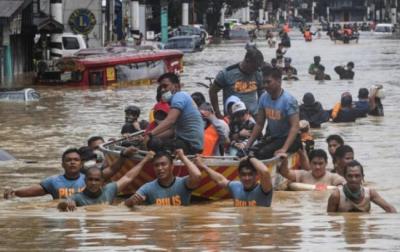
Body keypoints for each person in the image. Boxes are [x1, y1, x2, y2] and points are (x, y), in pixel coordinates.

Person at [57, 149, 154, 211]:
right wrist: (65, 204)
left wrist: (145, 160)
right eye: (90, 180)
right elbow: (61, 205)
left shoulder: (109, 189)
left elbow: (128, 177)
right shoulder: (77, 197)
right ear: (85, 181)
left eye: (96, 180)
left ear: (102, 182)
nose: (93, 183)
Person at [246, 67, 301, 159]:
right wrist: (248, 144)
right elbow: (259, 124)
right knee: (251, 151)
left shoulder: (289, 100)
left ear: (279, 81)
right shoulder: (263, 98)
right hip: (274, 137)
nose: (265, 85)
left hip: (291, 139)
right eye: (264, 82)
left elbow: (295, 127)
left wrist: (284, 149)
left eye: (268, 82)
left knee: (263, 153)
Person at [146, 73, 204, 155]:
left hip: (190, 146)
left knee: (154, 143)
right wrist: (151, 137)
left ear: (176, 87)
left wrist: (150, 134)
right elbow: (172, 131)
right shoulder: (177, 99)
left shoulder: (179, 96)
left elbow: (170, 121)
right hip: (192, 145)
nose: (162, 90)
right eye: (161, 87)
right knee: (154, 140)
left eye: (165, 86)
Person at [124, 149, 202, 206]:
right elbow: (125, 204)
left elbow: (197, 175)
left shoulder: (184, 183)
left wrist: (182, 157)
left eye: (163, 164)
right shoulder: (148, 188)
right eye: (156, 165)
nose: (160, 168)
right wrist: (132, 201)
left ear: (172, 166)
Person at [3, 148, 85, 199]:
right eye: (68, 160)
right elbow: (32, 191)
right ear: (62, 165)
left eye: (76, 160)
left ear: (81, 164)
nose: (72, 162)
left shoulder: (90, 180)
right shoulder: (53, 181)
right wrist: (14, 191)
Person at [194, 156, 273, 207]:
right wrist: (203, 166)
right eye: (244, 175)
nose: (247, 178)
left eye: (250, 174)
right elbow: (220, 180)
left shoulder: (264, 189)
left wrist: (250, 157)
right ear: (239, 175)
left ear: (256, 175)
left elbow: (265, 172)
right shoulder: (236, 187)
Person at [209, 47, 264, 117]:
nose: (255, 70)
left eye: (257, 68)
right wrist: (218, 113)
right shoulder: (226, 74)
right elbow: (212, 91)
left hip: (253, 116)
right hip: (233, 117)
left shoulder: (258, 74)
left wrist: (261, 113)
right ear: (247, 60)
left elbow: (262, 94)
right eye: (254, 67)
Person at [327, 160, 396, 213]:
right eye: (350, 176)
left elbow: (390, 209)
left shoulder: (370, 193)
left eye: (357, 176)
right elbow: (330, 219)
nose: (354, 179)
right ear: (344, 177)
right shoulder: (336, 195)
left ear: (362, 177)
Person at [278, 150, 345, 188]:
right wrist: (285, 160)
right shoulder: (303, 175)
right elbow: (285, 173)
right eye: (314, 163)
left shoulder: (333, 177)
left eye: (320, 163)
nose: (317, 167)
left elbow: (343, 187)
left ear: (326, 163)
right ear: (310, 163)